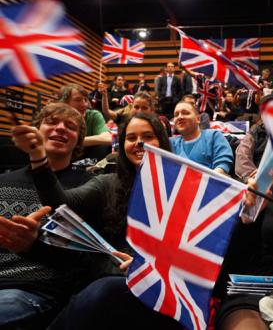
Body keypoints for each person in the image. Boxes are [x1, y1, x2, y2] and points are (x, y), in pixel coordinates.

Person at [12, 113, 183, 329]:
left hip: (162, 289)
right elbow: (62, 203)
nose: (139, 143)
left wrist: (150, 267)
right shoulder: (107, 183)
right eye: (131, 138)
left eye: (148, 136)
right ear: (122, 146)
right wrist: (38, 156)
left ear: (163, 141)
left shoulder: (184, 189)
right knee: (106, 289)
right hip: (109, 285)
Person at [0, 103, 94, 328]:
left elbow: (85, 260)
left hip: (35, 291)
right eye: (51, 122)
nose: (60, 128)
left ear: (78, 141)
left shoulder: (90, 187)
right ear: (36, 130)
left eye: (70, 126)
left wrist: (32, 244)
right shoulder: (3, 181)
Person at [171, 101, 233, 175]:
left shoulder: (213, 136)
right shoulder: (171, 143)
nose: (179, 117)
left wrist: (206, 182)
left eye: (185, 113)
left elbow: (223, 163)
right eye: (176, 115)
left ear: (198, 119)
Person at [57, 84, 112, 152]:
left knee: (104, 147)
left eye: (85, 100)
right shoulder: (55, 118)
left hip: (88, 157)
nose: (84, 105)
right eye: (78, 100)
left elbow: (108, 138)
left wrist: (71, 142)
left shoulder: (93, 115)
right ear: (64, 103)